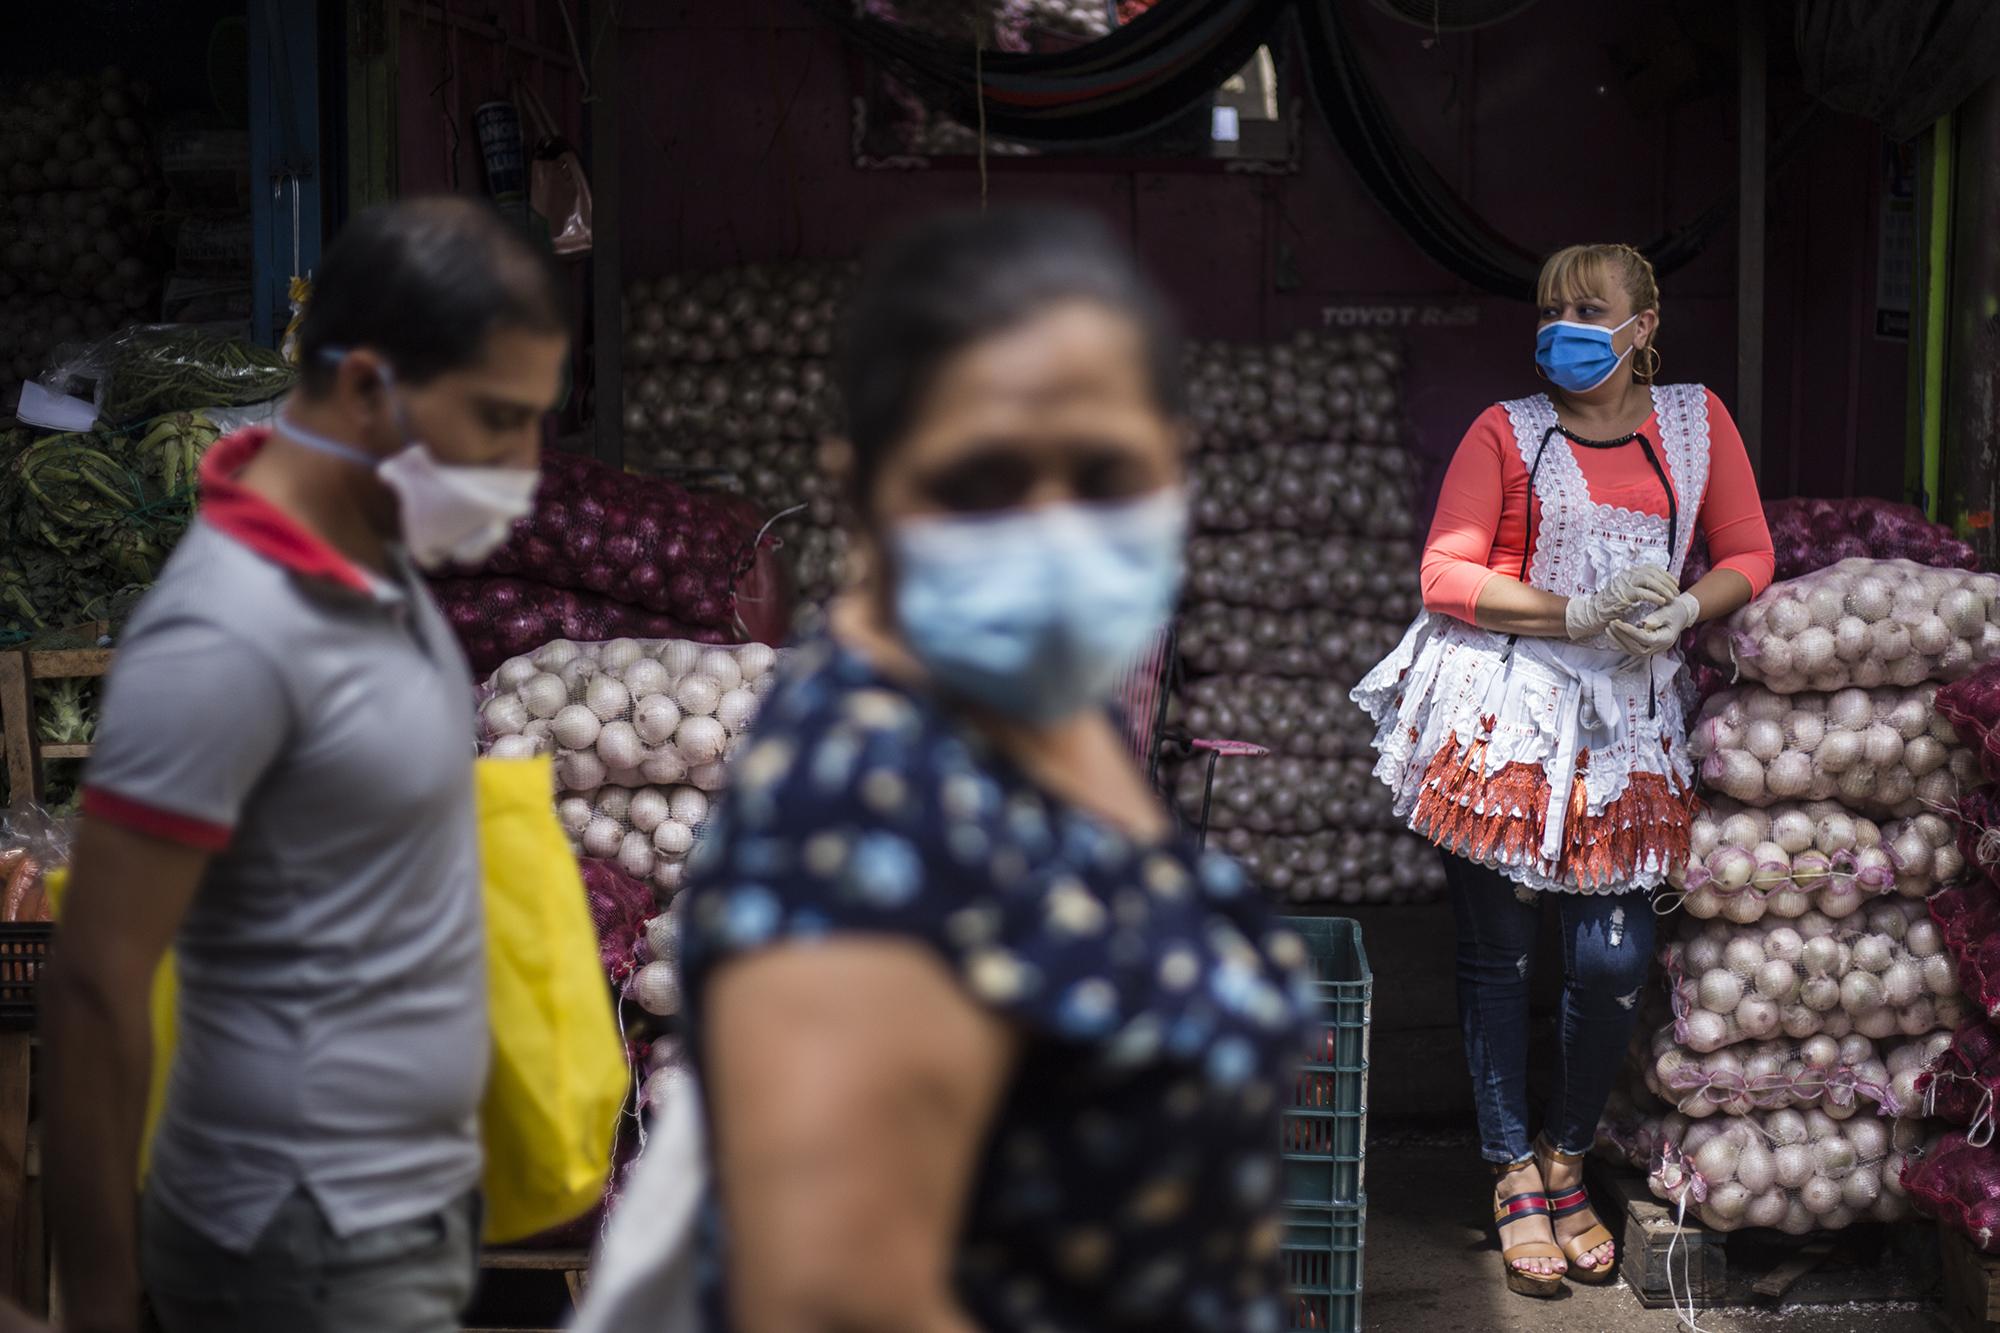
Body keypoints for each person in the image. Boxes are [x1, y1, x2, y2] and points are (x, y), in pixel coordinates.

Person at [674, 206, 1315, 1331]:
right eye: (983, 477)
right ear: (860, 483)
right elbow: (833, 1299)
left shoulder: (1038, 710)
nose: (1053, 529)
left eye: (1106, 472)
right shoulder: (850, 807)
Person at [40, 196, 570, 1333]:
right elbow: (91, 986)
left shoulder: (372, 564)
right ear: (370, 387)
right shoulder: (226, 632)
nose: (522, 465)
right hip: (297, 1242)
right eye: (495, 418)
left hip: (397, 1218)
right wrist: (96, 1300)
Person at [1352, 243, 1774, 1297]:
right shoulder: (1507, 430)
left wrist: (1685, 606)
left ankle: (1564, 1152)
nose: (1561, 327)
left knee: (1606, 961)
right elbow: (1444, 572)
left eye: (1588, 308)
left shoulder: (1692, 422)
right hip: (1510, 713)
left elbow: (1747, 553)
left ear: (1642, 325)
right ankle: (1509, 1173)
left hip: (1627, 720)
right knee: (1495, 953)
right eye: (1548, 310)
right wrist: (1569, 612)